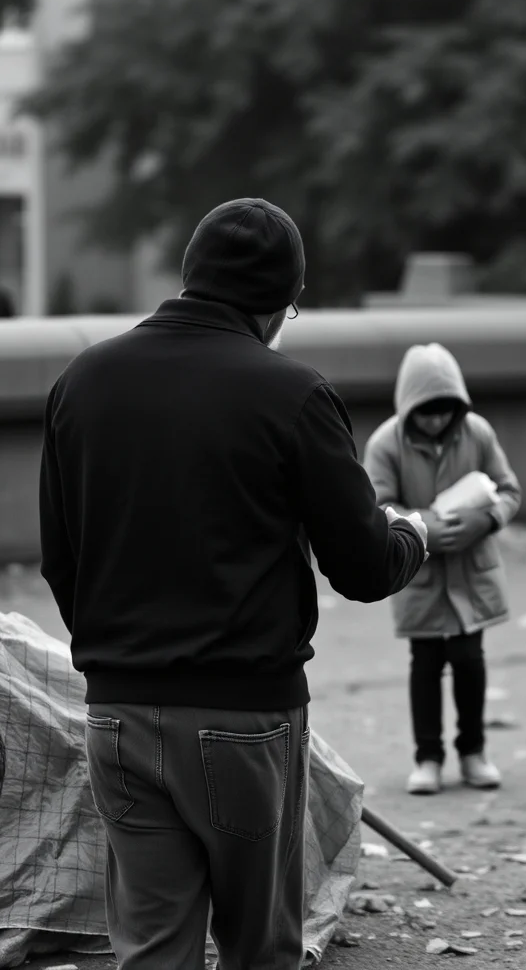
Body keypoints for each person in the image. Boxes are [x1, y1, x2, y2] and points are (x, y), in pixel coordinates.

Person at [39, 197, 428, 970]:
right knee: (259, 949)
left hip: (115, 713)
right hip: (244, 718)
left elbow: (62, 558)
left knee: (150, 950)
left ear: (189, 278)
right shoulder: (293, 394)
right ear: (284, 303)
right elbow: (362, 568)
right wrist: (413, 531)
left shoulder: (82, 381)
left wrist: (116, 652)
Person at [363, 343, 521, 796]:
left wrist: (485, 520)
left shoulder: (478, 433)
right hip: (421, 572)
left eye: (444, 411)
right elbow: (376, 505)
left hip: (472, 572)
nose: (435, 420)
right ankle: (427, 756)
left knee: (470, 661)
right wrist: (425, 526)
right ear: (409, 407)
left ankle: (473, 751)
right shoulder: (385, 444)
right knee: (425, 664)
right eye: (426, 412)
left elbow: (509, 490)